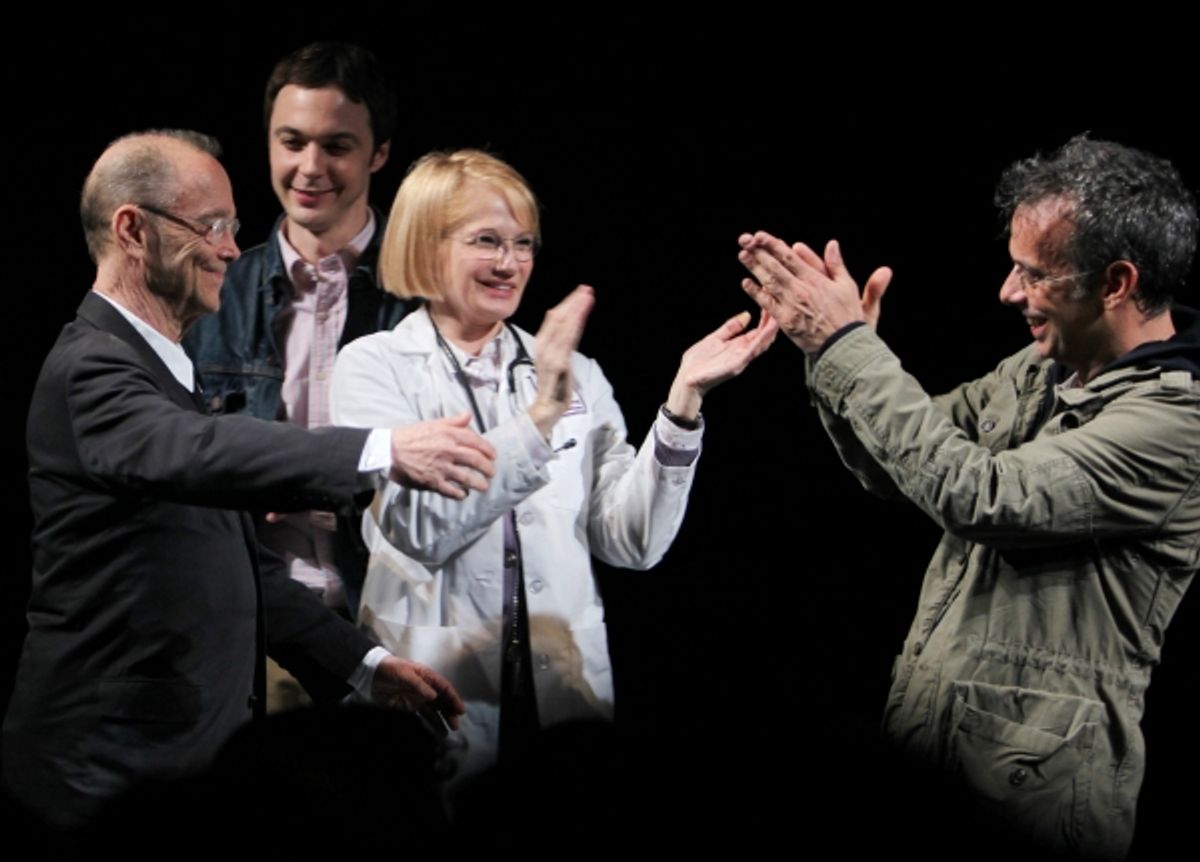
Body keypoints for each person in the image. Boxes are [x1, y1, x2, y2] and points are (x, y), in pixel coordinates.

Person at [2, 129, 488, 831]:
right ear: (132, 230)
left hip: (173, 762)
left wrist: (364, 663)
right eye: (212, 226)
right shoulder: (92, 370)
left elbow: (239, 569)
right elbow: (197, 448)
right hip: (103, 771)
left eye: (232, 226)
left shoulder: (164, 371)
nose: (233, 247)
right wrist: (382, 448)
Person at [737, 135, 1198, 860]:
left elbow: (978, 494)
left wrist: (848, 350)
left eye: (1033, 275)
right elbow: (901, 467)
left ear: (1116, 282)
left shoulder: (1175, 425)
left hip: (1037, 797)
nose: (1008, 294)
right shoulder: (1043, 368)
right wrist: (832, 354)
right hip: (940, 746)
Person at [331, 149, 778, 778]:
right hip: (437, 685)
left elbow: (632, 541)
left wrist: (682, 404)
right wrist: (540, 417)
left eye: (523, 243)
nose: (511, 263)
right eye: (487, 240)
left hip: (561, 693)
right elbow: (419, 533)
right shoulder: (373, 365)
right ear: (426, 244)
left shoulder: (575, 372)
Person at [185, 42, 408, 621]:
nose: (310, 168)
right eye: (292, 142)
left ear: (378, 153)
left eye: (336, 146)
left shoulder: (427, 297)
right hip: (258, 620)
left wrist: (312, 482)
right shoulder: (208, 293)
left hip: (396, 619)